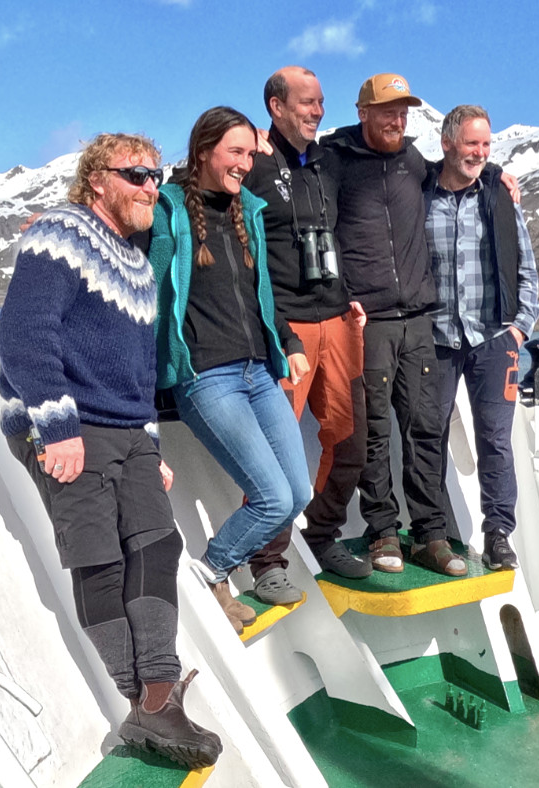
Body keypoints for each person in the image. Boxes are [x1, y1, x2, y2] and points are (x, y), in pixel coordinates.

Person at [0, 133, 221, 767]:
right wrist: (56, 427)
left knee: (158, 544)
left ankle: (157, 696)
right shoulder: (61, 233)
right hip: (68, 423)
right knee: (100, 561)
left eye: (156, 176)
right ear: (97, 180)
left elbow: (134, 369)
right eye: (136, 175)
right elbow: (24, 331)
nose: (151, 186)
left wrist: (150, 439)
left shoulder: (138, 266)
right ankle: (144, 703)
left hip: (127, 430)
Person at [148, 106, 312, 631]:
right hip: (206, 377)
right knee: (272, 498)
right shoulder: (168, 210)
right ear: (203, 152)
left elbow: (261, 293)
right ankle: (213, 574)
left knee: (298, 494)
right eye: (234, 152)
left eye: (249, 153)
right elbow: (143, 283)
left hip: (259, 373)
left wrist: (287, 342)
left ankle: (216, 573)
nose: (244, 163)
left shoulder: (248, 212)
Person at [321, 74, 470, 577]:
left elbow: (456, 174)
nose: (398, 120)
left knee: (425, 429)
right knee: (374, 433)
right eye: (388, 110)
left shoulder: (412, 161)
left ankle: (431, 534)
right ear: (363, 111)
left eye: (403, 111)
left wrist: (496, 176)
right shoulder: (334, 160)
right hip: (368, 322)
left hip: (419, 321)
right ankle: (383, 530)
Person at [242, 66, 371, 597]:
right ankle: (266, 560)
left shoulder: (329, 159)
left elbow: (385, 148)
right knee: (277, 448)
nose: (317, 111)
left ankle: (320, 535)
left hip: (336, 318)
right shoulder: (251, 162)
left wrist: (494, 175)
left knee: (350, 440)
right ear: (276, 107)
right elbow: (194, 181)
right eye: (306, 103)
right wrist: (243, 135)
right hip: (285, 323)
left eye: (320, 102)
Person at [424, 105, 539, 570]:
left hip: (494, 338)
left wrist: (520, 329)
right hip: (435, 338)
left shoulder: (499, 197)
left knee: (495, 439)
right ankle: (433, 532)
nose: (480, 153)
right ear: (447, 143)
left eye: (487, 145)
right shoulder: (420, 195)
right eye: (472, 143)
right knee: (427, 437)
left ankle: (498, 534)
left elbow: (528, 270)